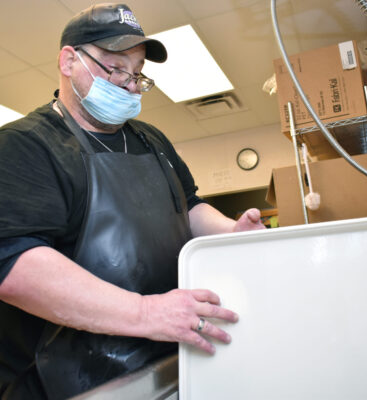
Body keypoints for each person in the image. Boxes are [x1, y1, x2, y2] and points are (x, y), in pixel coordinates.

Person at [0, 3, 265, 399]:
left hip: (165, 359)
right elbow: (16, 267)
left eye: (137, 73)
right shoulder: (25, 145)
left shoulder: (151, 139)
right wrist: (146, 313)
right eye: (115, 69)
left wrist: (231, 231)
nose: (129, 84)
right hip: (70, 381)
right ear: (69, 61)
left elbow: (189, 206)